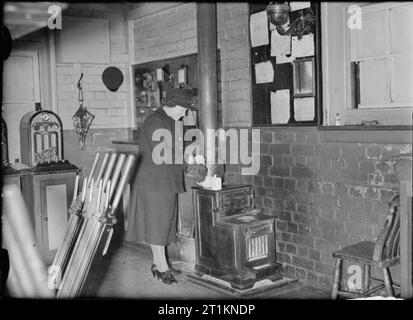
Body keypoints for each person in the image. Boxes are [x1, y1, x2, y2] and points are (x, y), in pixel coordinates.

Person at [125, 87, 207, 284]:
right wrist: (189, 155)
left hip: (164, 181)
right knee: (158, 225)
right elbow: (163, 155)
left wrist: (190, 150)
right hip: (153, 182)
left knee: (163, 224)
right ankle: (162, 268)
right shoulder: (156, 121)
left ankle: (158, 264)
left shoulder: (171, 121)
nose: (185, 112)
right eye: (184, 108)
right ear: (171, 104)